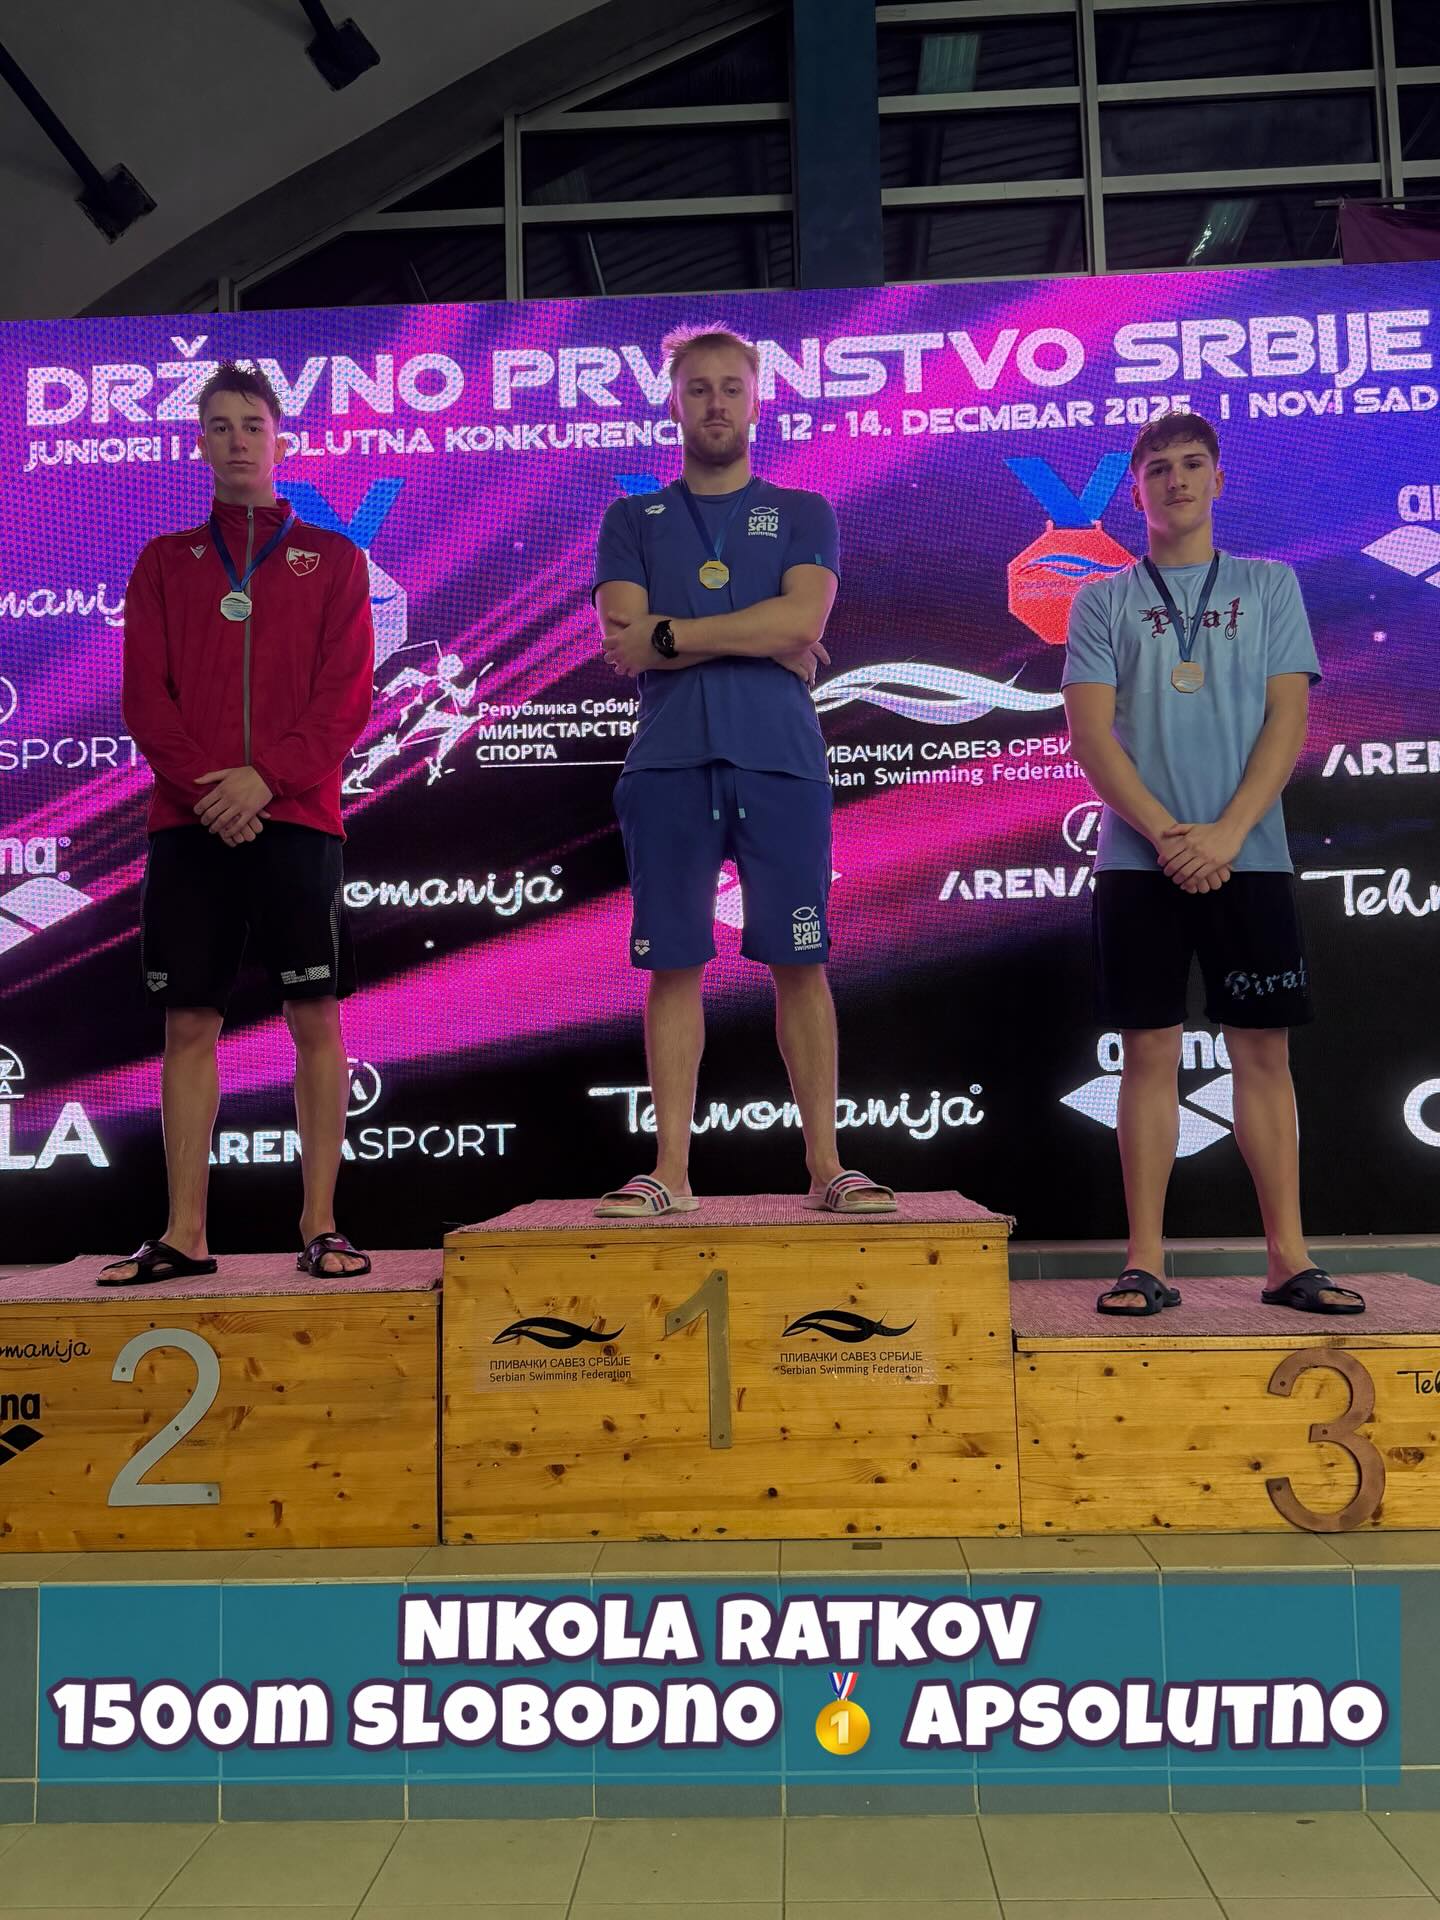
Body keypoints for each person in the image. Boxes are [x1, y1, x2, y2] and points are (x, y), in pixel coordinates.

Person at [1062, 411, 1363, 1318]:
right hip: (1137, 862)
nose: (1177, 480)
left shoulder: (1270, 585)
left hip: (1250, 856)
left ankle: (1288, 1260)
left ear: (1219, 480)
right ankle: (1143, 1263)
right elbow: (1090, 736)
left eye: (1193, 464)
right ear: (1137, 491)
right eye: (1158, 469)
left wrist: (1227, 833)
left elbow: (1288, 720)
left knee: (1261, 1054)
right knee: (1148, 1053)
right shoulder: (1100, 599)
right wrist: (1168, 836)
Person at [592, 324, 893, 1218]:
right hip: (669, 763)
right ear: (674, 403)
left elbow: (798, 624)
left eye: (731, 387)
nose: (715, 402)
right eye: (699, 388)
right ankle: (671, 1174)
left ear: (757, 401)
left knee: (801, 962)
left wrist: (679, 634)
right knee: (674, 965)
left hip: (780, 763)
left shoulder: (804, 512)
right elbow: (625, 639)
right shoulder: (631, 518)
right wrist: (753, 637)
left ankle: (827, 1168)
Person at [100, 362, 375, 1286]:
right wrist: (209, 791)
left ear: (280, 438)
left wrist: (266, 780)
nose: (237, 440)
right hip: (189, 824)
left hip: (298, 816)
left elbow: (346, 700)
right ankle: (185, 1234)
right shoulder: (163, 561)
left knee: (315, 1014)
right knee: (189, 1022)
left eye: (251, 424)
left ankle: (322, 1226)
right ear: (201, 445)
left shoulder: (334, 559)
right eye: (219, 426)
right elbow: (147, 699)